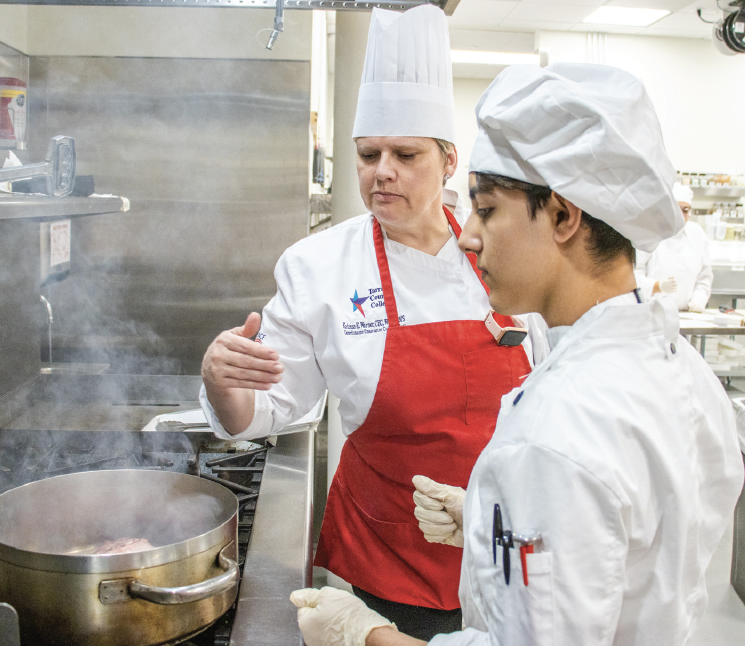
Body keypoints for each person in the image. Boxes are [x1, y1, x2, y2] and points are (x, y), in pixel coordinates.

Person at [290, 63, 744, 646]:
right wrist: (488, 518)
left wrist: (363, 635)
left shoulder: (555, 434)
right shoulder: (682, 370)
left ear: (561, 215)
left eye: (487, 209)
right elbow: (626, 550)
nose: (468, 234)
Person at [200, 5, 546, 640]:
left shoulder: (503, 249)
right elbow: (275, 405)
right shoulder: (318, 266)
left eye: (404, 154)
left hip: (514, 540)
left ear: (448, 161)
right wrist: (226, 385)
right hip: (391, 555)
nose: (381, 170)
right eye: (368, 154)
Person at [635, 182, 713, 312]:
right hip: (652, 312)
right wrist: (657, 286)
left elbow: (704, 276)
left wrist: (699, 298)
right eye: (676, 209)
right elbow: (634, 274)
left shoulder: (696, 234)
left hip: (687, 313)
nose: (681, 215)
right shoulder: (650, 233)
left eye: (685, 210)